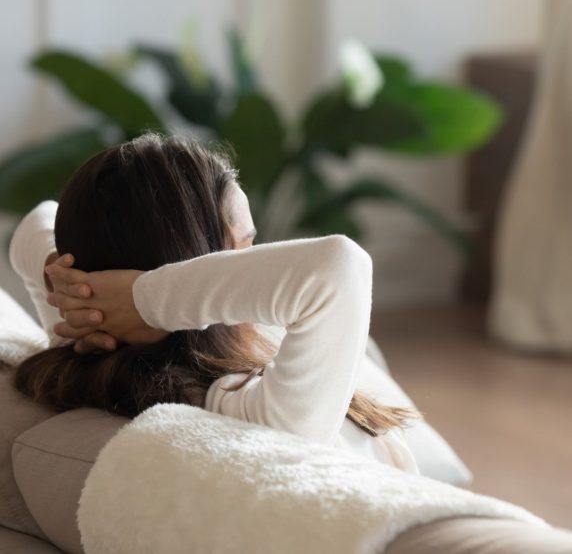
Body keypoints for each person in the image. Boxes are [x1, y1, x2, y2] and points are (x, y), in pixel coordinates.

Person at [9, 132, 419, 474]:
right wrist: (143, 301)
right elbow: (340, 266)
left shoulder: (84, 344)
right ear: (190, 267)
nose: (254, 260)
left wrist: (75, 285)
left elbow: (37, 221)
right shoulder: (242, 406)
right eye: (241, 248)